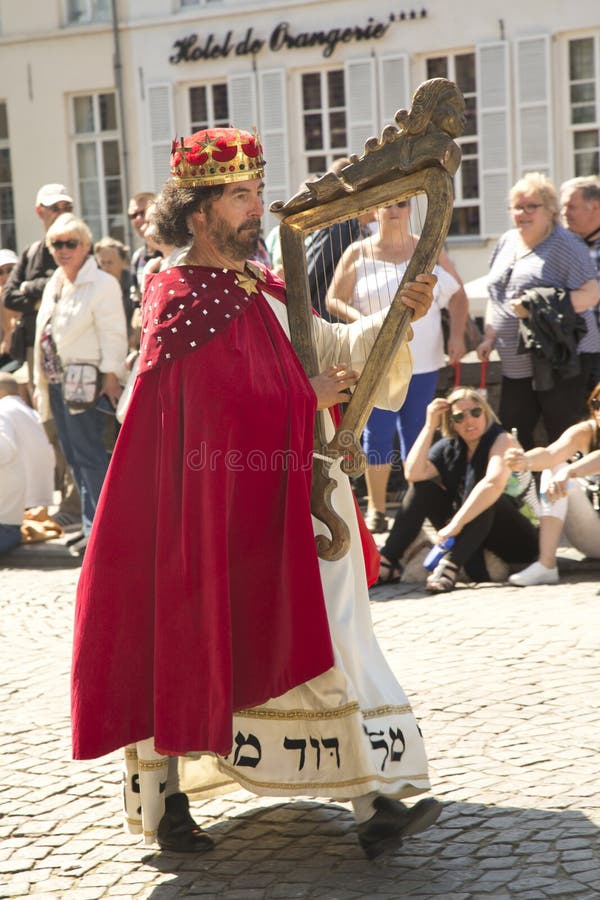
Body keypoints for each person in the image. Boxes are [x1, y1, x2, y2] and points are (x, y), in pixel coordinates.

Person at [71, 125, 442, 860]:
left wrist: (399, 313)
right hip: (208, 515)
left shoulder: (261, 283)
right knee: (189, 639)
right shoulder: (178, 298)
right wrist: (302, 397)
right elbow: (201, 416)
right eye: (239, 196)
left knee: (332, 638)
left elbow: (329, 353)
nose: (255, 207)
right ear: (198, 213)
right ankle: (171, 801)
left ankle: (373, 801)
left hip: (296, 499)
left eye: (255, 191)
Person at [326, 199, 468, 532]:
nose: (394, 210)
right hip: (377, 361)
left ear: (409, 209)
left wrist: (457, 337)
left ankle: (414, 511)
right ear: (373, 211)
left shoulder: (428, 245)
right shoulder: (357, 252)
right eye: (386, 204)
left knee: (419, 434)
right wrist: (368, 323)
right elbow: (334, 298)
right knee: (378, 435)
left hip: (424, 359)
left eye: (402, 203)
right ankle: (376, 509)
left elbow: (458, 294)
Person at [478, 172, 599, 450]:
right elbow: (495, 294)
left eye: (531, 206)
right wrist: (489, 336)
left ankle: (565, 491)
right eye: (517, 207)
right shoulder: (507, 241)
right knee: (512, 431)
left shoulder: (565, 244)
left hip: (562, 358)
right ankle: (523, 493)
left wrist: (535, 306)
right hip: (516, 362)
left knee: (563, 433)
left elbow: (591, 295)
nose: (523, 213)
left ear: (551, 210)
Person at [377, 387, 539, 592]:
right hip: (471, 531)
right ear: (451, 422)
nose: (469, 420)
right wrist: (429, 426)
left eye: (475, 412)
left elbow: (493, 483)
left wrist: (455, 524)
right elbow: (413, 474)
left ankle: (450, 565)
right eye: (459, 417)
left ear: (486, 412)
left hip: (519, 537)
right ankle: (388, 560)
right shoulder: (450, 446)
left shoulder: (503, 440)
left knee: (487, 496)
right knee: (422, 488)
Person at [33, 214, 127, 556]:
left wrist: (112, 375)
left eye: (71, 243)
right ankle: (91, 528)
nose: (63, 250)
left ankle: (104, 533)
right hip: (58, 383)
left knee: (90, 456)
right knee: (75, 457)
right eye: (56, 244)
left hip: (87, 384)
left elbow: (114, 334)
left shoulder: (101, 284)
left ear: (86, 246)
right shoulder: (55, 282)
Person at [505, 382, 600, 586]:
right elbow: (551, 453)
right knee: (554, 467)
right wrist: (524, 461)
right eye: (597, 404)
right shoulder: (586, 432)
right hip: (593, 534)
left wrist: (570, 471)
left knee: (562, 471)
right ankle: (546, 564)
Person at [0, 373, 54, 556]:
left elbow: (5, 451)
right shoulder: (29, 411)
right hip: (26, 505)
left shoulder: (3, 411)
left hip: (7, 522)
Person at [560, 176, 600, 398]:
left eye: (571, 206)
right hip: (574, 355)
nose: (564, 213)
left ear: (595, 207)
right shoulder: (564, 245)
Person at [94, 237, 132, 326]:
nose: (105, 268)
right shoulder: (92, 287)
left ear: (124, 262)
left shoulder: (135, 287)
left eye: (110, 262)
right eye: (102, 263)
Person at [0, 248, 19, 366]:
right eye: (0, 272)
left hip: (24, 354)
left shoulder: (28, 294)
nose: (6, 275)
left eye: (10, 270)